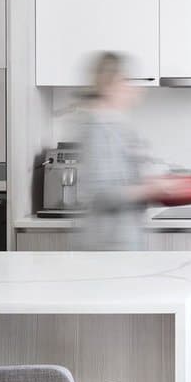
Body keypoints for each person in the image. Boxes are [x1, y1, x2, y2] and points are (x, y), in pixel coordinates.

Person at [72, 52, 173, 251]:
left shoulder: (115, 125)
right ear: (110, 84)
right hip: (106, 244)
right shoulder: (97, 129)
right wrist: (151, 189)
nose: (132, 88)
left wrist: (151, 184)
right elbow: (100, 193)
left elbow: (121, 180)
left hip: (120, 241)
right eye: (126, 80)